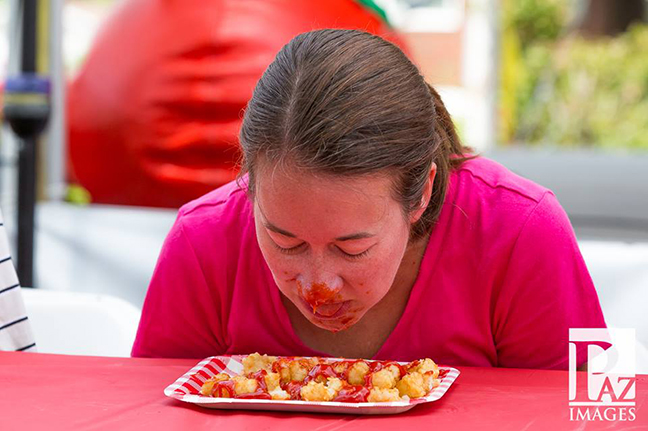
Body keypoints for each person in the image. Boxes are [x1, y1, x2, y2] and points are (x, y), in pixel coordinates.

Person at [132, 29, 606, 370]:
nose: (319, 286)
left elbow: (595, 409)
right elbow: (146, 415)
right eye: (284, 240)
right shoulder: (203, 240)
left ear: (420, 194)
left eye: (352, 247)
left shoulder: (519, 230)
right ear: (251, 188)